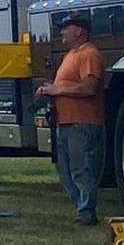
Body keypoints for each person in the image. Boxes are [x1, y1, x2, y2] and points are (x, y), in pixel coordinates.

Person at [36, 14, 105, 226]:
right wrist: (50, 90)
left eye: (66, 27)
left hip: (82, 122)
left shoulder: (89, 54)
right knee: (65, 169)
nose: (62, 31)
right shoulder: (70, 55)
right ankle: (80, 207)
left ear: (79, 31)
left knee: (81, 167)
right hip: (64, 121)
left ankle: (86, 212)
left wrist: (58, 89)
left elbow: (89, 87)